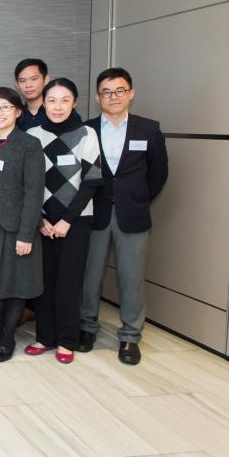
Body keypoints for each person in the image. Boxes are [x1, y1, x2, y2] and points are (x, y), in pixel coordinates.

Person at [80, 67, 168, 365]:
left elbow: (158, 174)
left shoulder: (149, 129)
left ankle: (130, 336)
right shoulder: (87, 129)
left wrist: (137, 199)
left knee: (132, 278)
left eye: (119, 90)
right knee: (89, 275)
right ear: (97, 97)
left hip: (133, 214)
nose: (113, 97)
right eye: (107, 92)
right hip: (95, 212)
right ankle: (87, 327)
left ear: (131, 93)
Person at [26, 78, 102, 364]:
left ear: (75, 103)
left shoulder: (87, 134)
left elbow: (92, 182)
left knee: (69, 282)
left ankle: (67, 340)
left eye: (65, 100)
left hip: (75, 221)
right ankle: (45, 336)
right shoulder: (33, 134)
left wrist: (67, 220)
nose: (58, 106)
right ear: (43, 103)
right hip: (41, 221)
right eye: (52, 100)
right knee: (43, 280)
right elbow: (29, 182)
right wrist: (41, 219)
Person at [0, 87, 45, 362]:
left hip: (16, 228)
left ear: (17, 111)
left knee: (15, 286)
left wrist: (26, 234)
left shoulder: (29, 145)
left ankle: (6, 338)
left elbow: (34, 193)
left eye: (5, 107)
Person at [14, 58, 81, 131]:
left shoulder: (61, 112)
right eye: (22, 81)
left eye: (34, 79)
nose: (28, 85)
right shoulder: (14, 114)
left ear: (46, 80)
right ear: (17, 85)